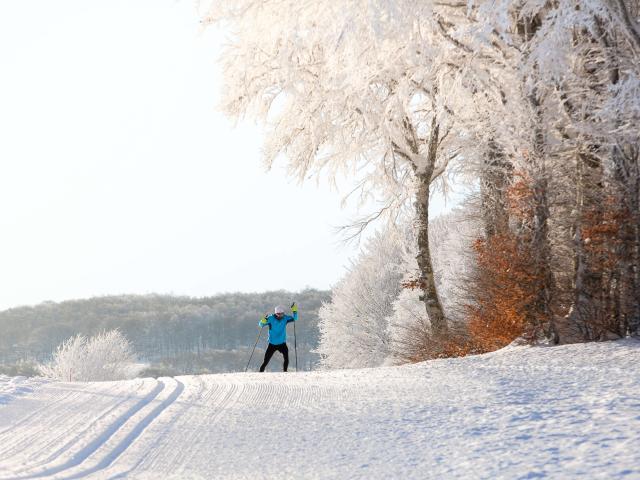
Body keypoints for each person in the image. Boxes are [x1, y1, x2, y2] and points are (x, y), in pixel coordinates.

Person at [258, 303, 297, 372]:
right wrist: (263, 320)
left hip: (282, 343)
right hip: (272, 344)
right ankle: (260, 372)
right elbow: (261, 325)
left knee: (286, 358)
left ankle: (285, 372)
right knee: (265, 361)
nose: (280, 315)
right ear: (275, 313)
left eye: (282, 314)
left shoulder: (285, 318)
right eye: (278, 314)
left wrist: (294, 311)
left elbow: (295, 318)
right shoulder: (270, 318)